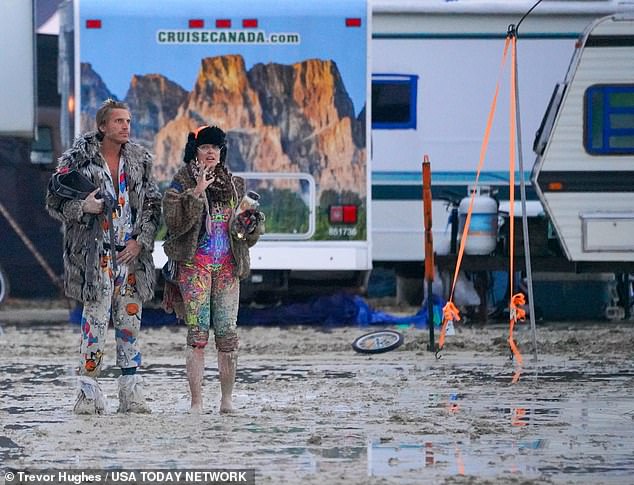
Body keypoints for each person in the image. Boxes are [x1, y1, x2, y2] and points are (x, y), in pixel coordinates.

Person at [46, 99, 162, 414]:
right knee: (94, 325)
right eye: (119, 121)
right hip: (95, 255)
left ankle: (131, 394)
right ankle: (88, 394)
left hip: (130, 255)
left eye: (128, 121)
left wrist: (141, 241)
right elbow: (53, 201)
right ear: (102, 126)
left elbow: (152, 204)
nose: (126, 126)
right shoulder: (77, 161)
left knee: (129, 326)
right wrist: (84, 207)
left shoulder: (140, 160)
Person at [162, 125, 264, 414]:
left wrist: (251, 224)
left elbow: (247, 237)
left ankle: (226, 401)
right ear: (195, 150)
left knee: (228, 336)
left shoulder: (235, 185)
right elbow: (174, 223)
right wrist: (197, 192)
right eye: (205, 147)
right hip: (194, 267)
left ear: (222, 152)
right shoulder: (181, 182)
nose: (210, 152)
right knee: (197, 336)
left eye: (215, 148)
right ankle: (196, 403)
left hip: (229, 268)